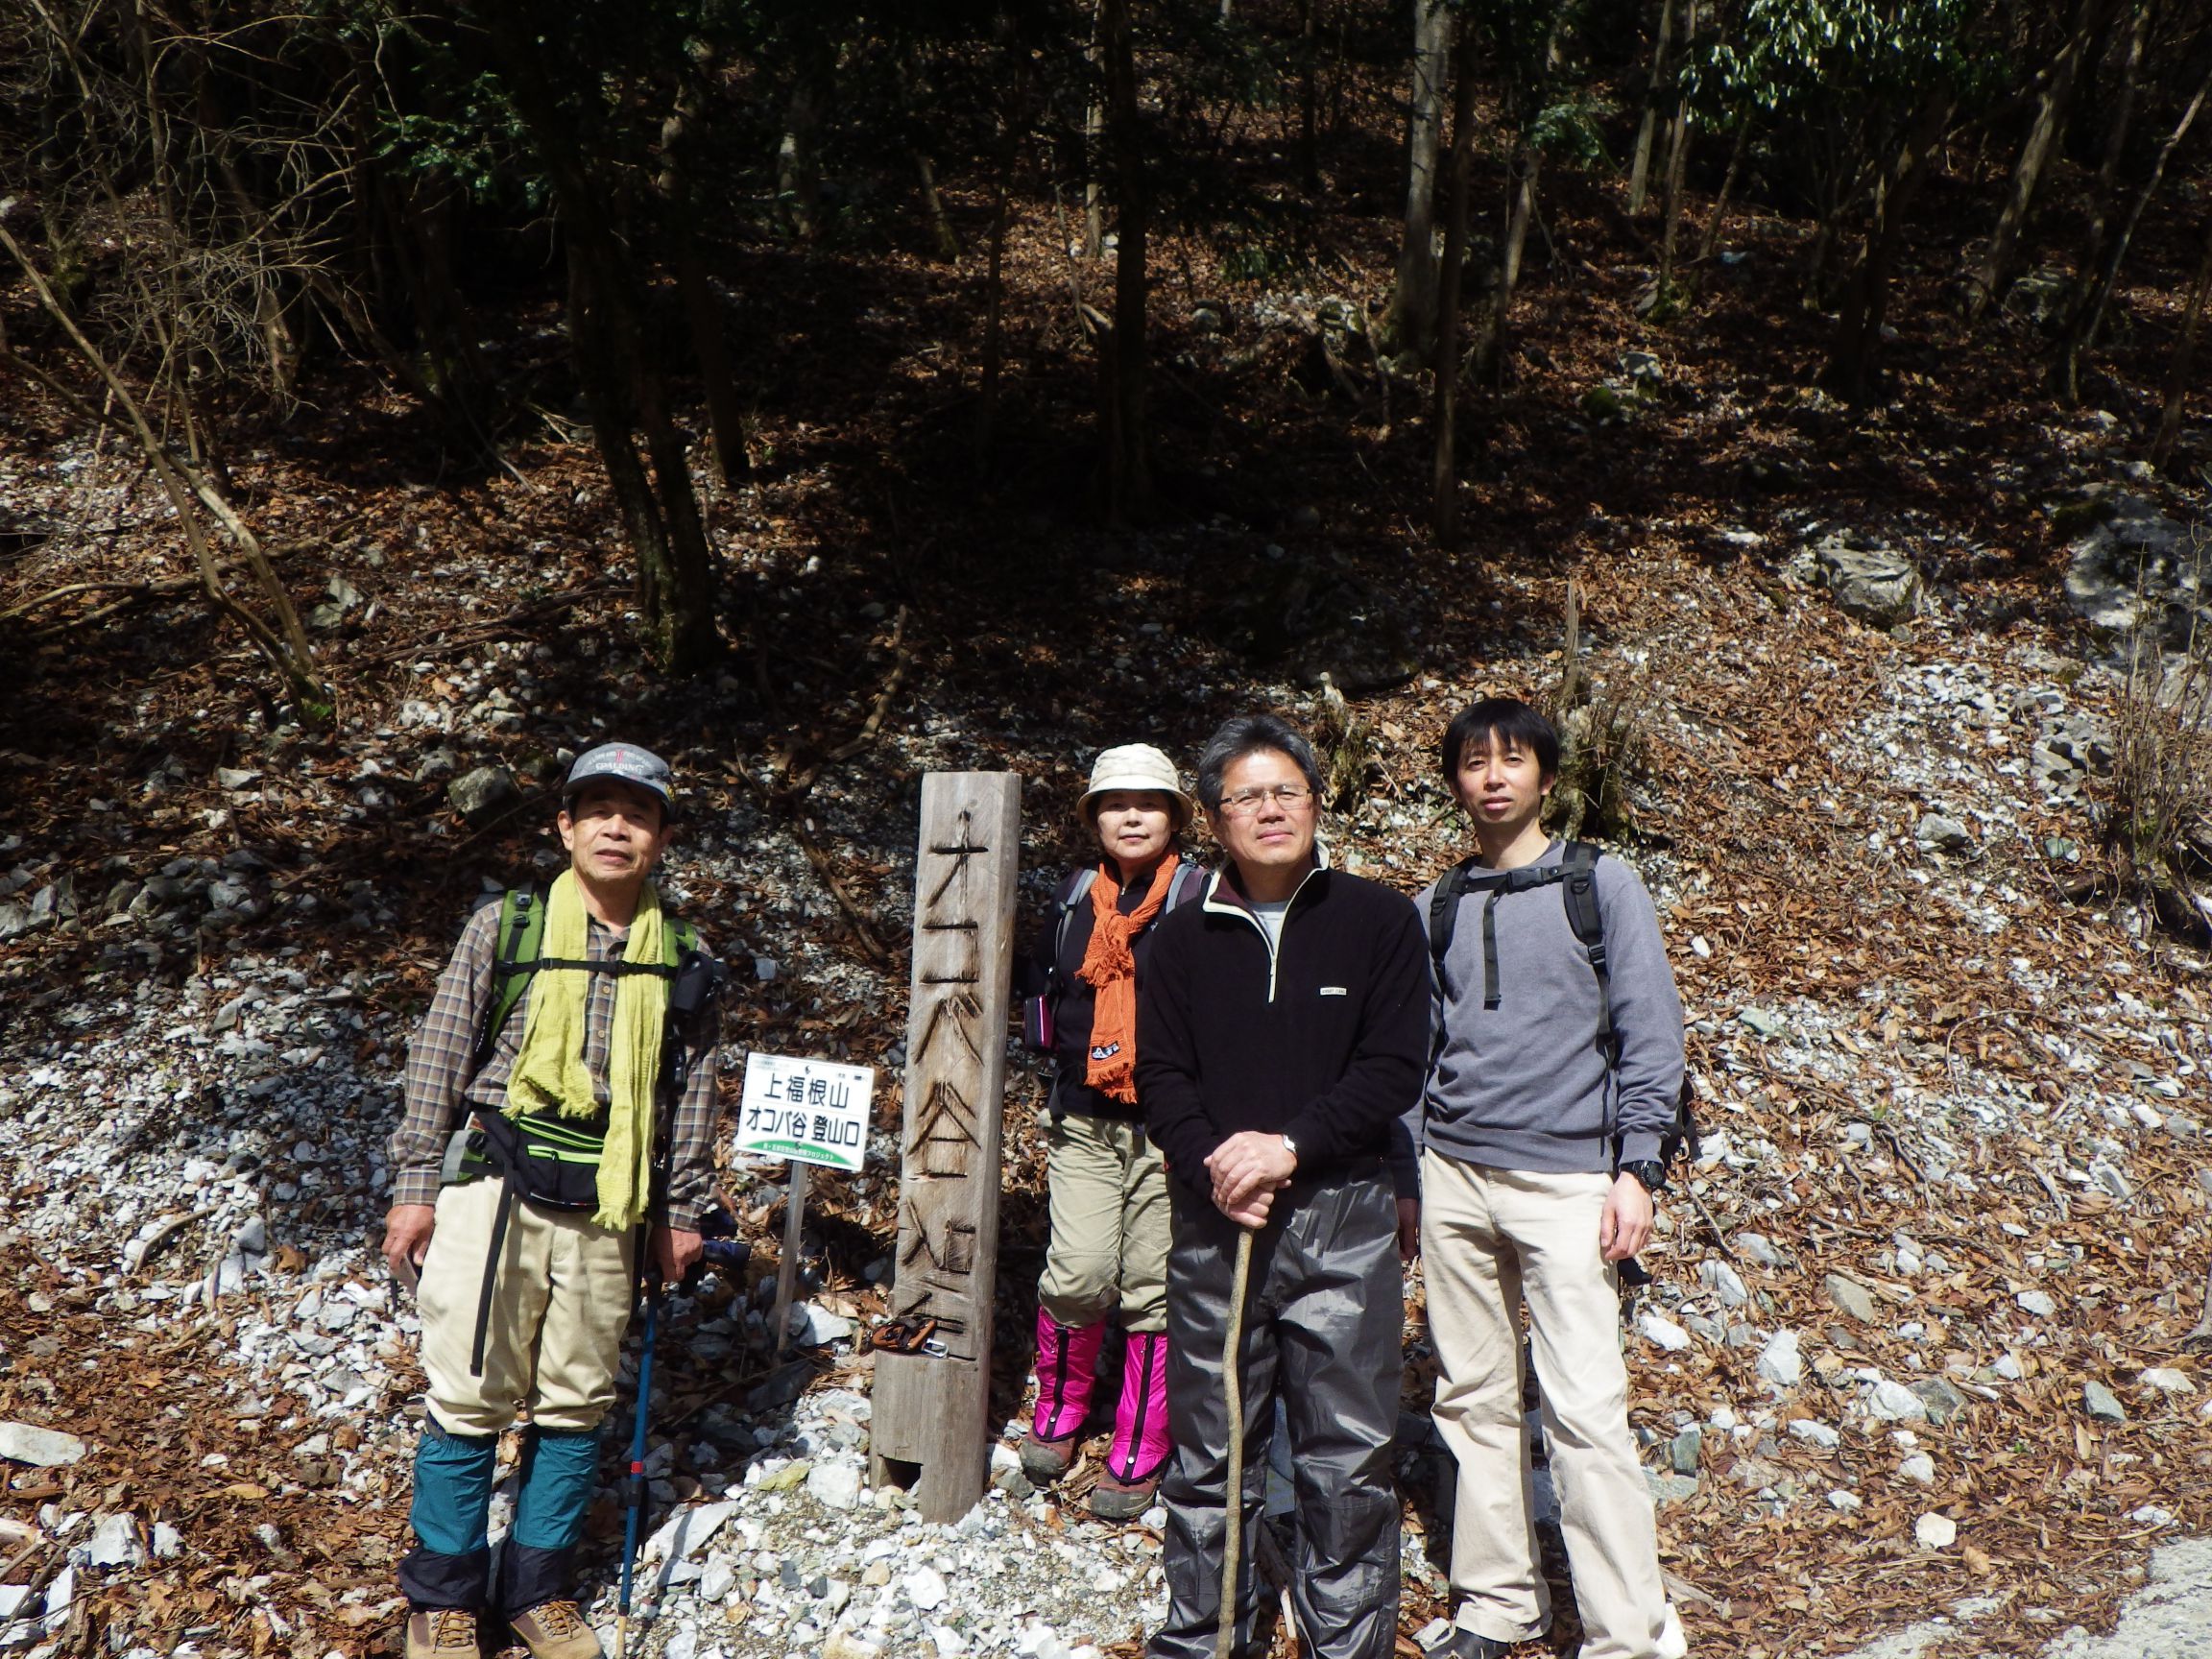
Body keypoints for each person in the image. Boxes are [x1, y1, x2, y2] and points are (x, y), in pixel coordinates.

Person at [382, 743, 720, 1659]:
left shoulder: (682, 954)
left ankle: (537, 1590)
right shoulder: (508, 927)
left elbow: (690, 1094)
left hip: (613, 1200)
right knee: (469, 1390)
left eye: (638, 813)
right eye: (598, 809)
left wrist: (681, 1212)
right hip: (499, 1180)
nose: (618, 827)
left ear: (662, 836)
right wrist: (415, 1188)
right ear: (563, 826)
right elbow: (440, 1056)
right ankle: (443, 1597)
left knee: (576, 1400)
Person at [1137, 713, 1429, 1659]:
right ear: (1217, 822)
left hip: (1343, 1215)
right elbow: (1162, 1078)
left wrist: (1287, 1147)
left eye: (1285, 792)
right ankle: (1207, 1637)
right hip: (1216, 1218)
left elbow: (1393, 1068)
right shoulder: (1178, 941)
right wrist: (1216, 1162)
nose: (1269, 810)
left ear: (1315, 801)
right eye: (1246, 798)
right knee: (1211, 1453)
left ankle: (1347, 1645)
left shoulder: (1378, 921)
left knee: (1347, 1457)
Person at [1405, 697, 1686, 1659]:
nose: (1492, 777)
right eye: (1474, 763)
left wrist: (1638, 1170)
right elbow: (1417, 1049)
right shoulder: (1437, 903)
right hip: (1453, 1175)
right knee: (1471, 1396)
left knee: (1586, 1412)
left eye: (1512, 760)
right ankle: (1497, 1605)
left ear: (1547, 779)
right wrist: (1411, 1174)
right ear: (1454, 783)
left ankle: (1625, 1634)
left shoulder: (1600, 883)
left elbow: (1653, 1033)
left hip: (1571, 1179)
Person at [1020, 744, 1204, 1519]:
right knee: (1078, 1272)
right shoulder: (1071, 902)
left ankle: (1142, 1431)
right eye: (1115, 802)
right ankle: (1061, 1403)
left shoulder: (1203, 899)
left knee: (1155, 1289)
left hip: (1171, 1130)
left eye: (1150, 802)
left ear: (1175, 817)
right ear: (1093, 818)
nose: (1132, 815)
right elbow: (1040, 999)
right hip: (1086, 1123)